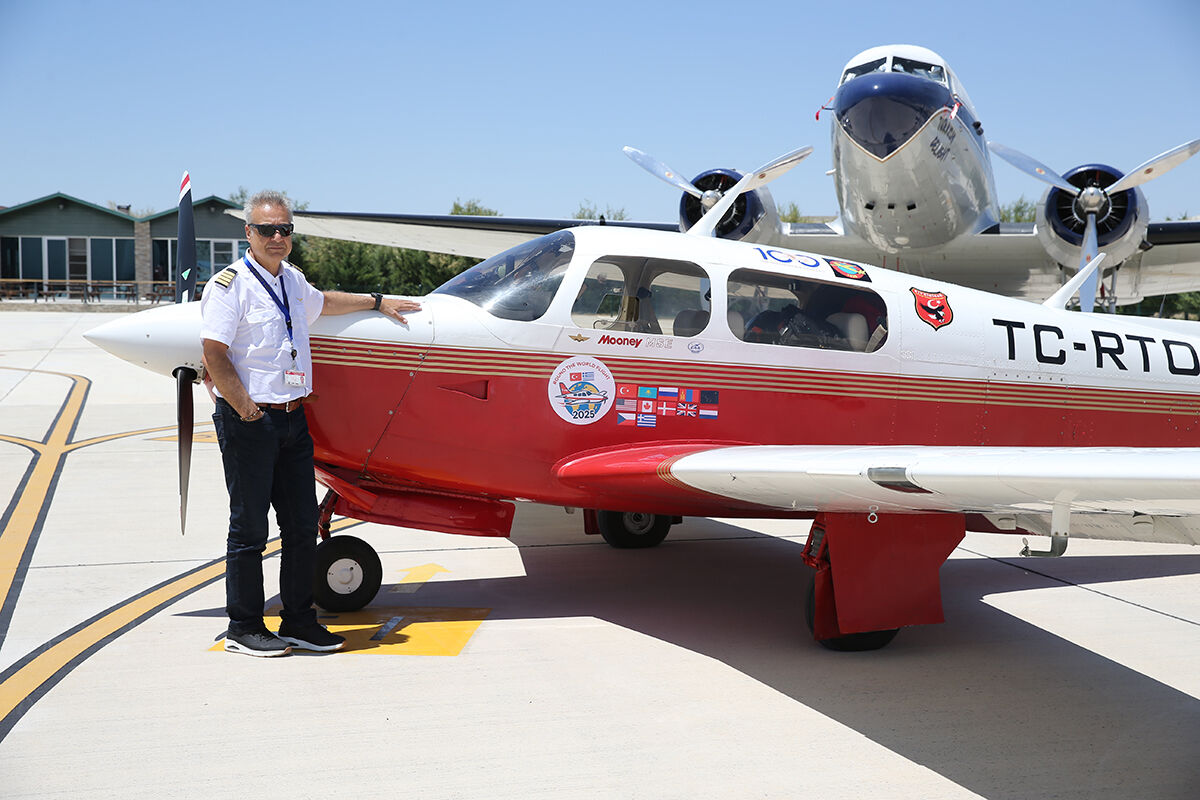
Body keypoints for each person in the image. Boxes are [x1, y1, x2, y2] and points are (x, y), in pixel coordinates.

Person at [200, 190, 420, 657]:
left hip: (293, 419)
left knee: (301, 525)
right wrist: (247, 411)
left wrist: (377, 301)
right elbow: (214, 354)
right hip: (250, 420)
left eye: (284, 229)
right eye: (266, 229)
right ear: (248, 233)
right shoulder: (228, 285)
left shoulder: (292, 282)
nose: (277, 237)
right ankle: (243, 626)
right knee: (248, 530)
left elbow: (325, 303)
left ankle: (300, 620)